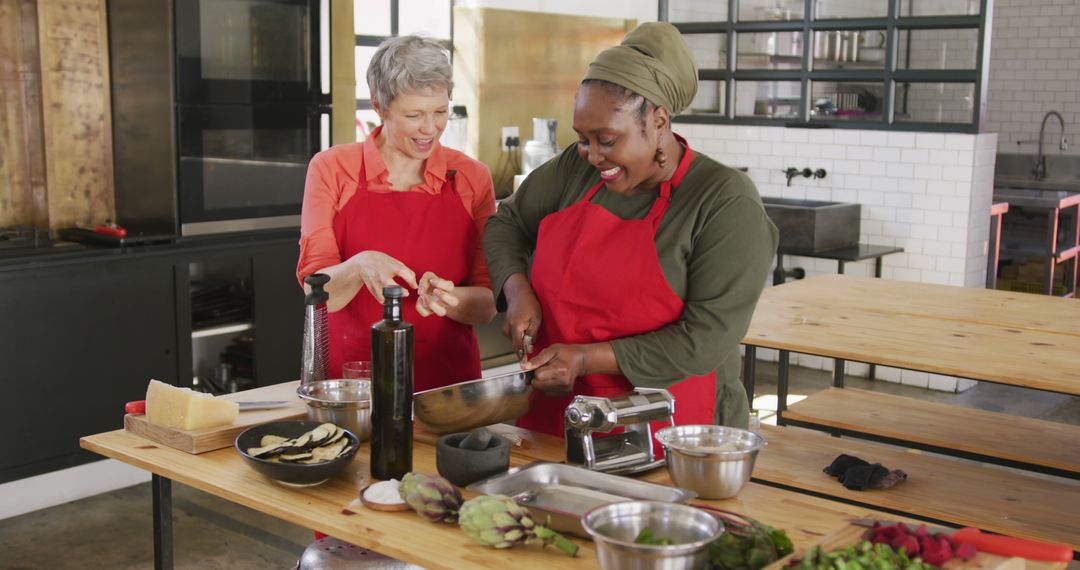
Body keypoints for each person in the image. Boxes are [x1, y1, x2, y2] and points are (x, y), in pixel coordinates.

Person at [483, 22, 778, 436]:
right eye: (582, 138)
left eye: (606, 139)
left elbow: (703, 340)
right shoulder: (575, 169)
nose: (591, 155)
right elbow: (506, 223)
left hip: (674, 428)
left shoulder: (724, 201)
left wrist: (584, 359)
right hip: (560, 415)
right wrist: (517, 292)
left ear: (658, 121)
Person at [297, 35, 497, 391]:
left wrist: (448, 299)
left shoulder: (472, 178)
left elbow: (485, 305)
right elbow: (318, 294)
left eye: (439, 111)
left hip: (447, 389)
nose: (430, 128)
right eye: (413, 115)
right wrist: (359, 266)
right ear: (379, 106)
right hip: (352, 386)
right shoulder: (332, 169)